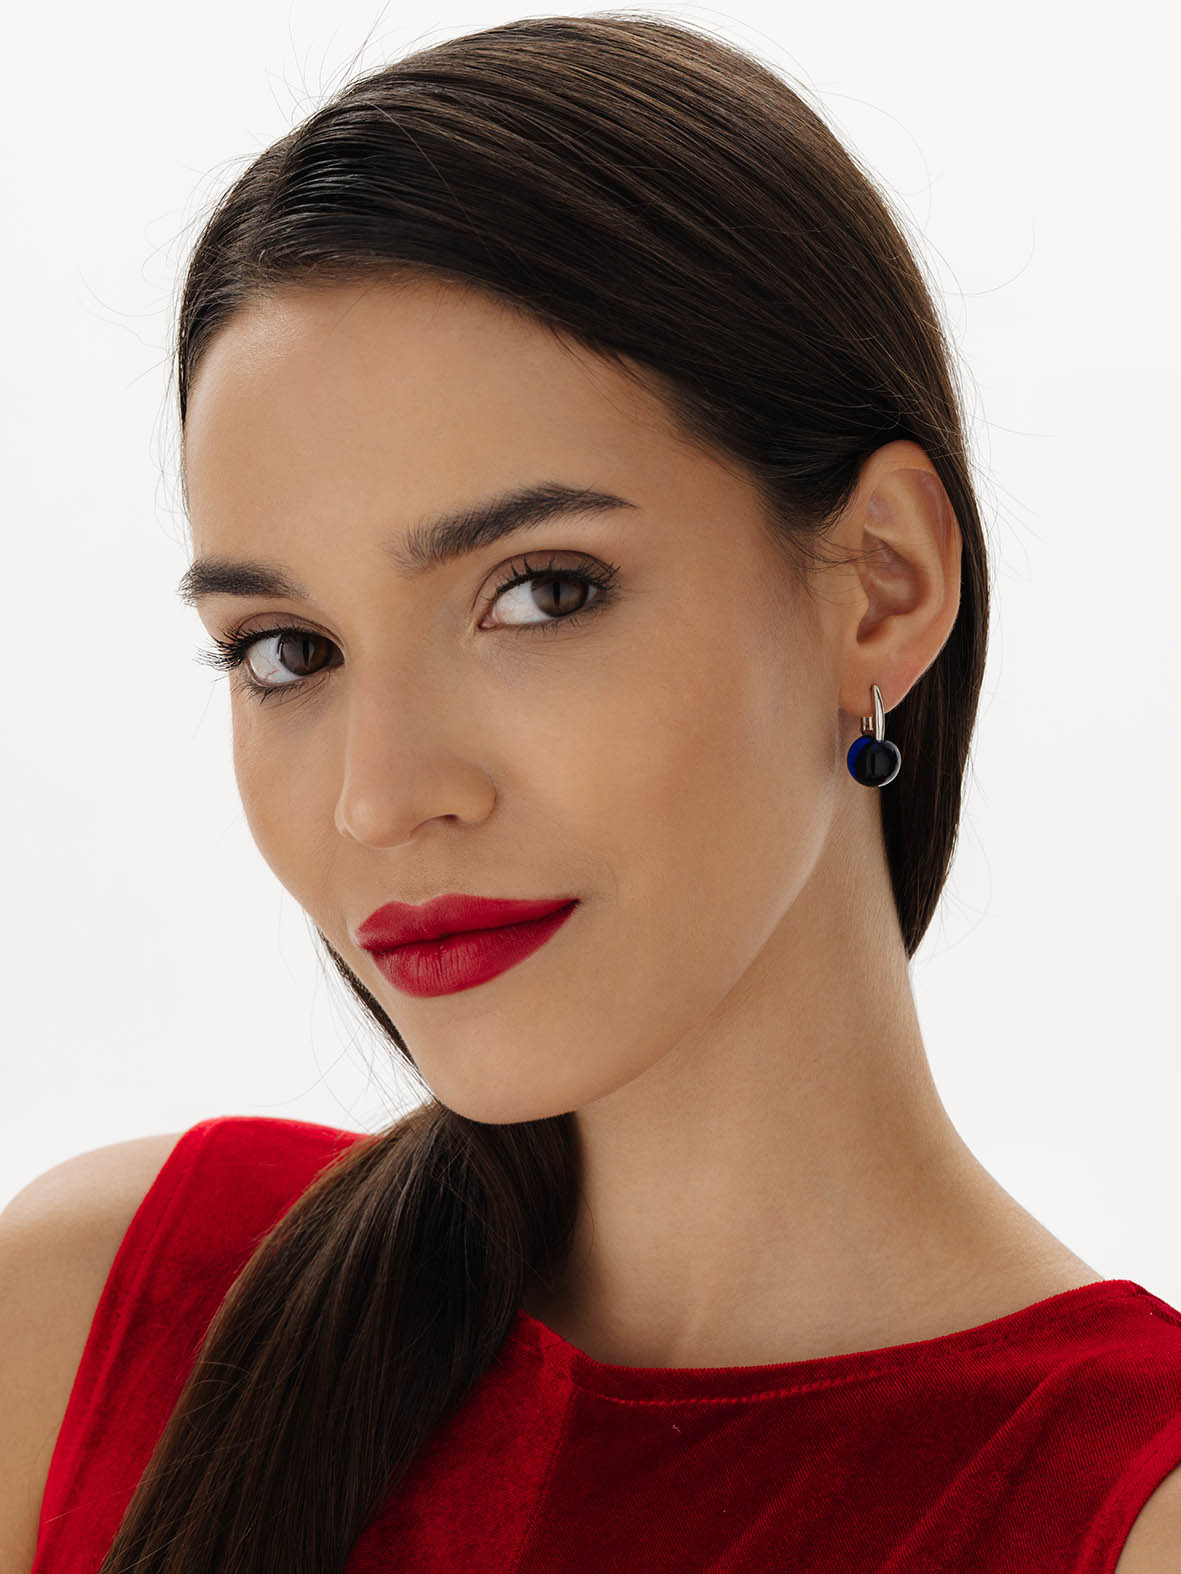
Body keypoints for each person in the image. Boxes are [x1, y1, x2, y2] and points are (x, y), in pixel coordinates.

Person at [4, 13, 1180, 1572]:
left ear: (880, 584)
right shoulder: (94, 1321)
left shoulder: (1124, 1509)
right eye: (288, 648)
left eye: (539, 592)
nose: (379, 798)